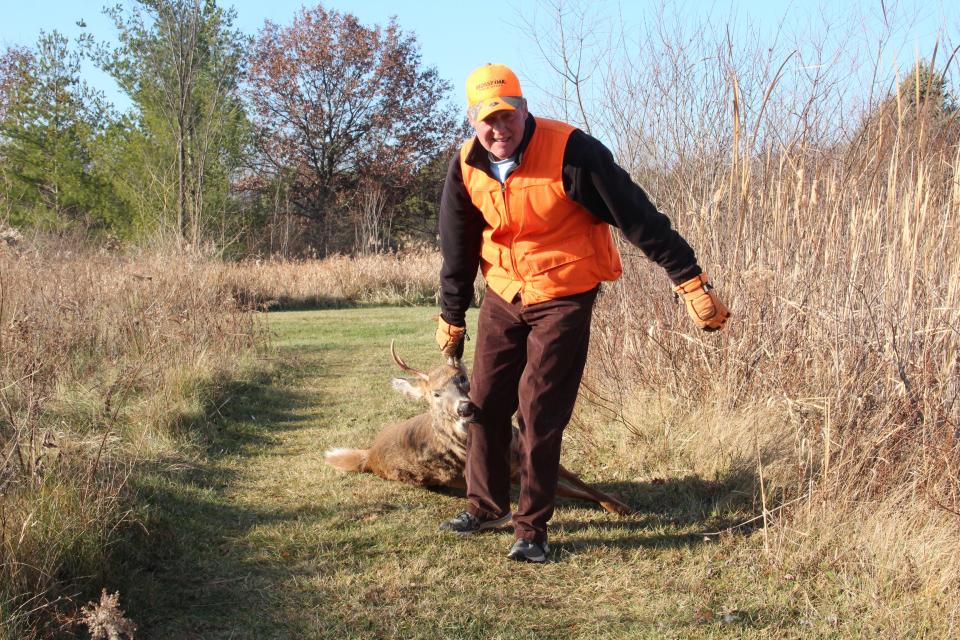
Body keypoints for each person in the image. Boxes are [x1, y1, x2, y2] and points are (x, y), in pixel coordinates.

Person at [434, 63, 730, 563]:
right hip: (506, 292)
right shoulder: (467, 164)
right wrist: (453, 313)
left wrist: (689, 279)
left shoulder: (573, 152)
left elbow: (638, 216)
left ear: (525, 111)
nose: (499, 129)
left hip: (566, 290)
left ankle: (530, 530)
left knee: (538, 406)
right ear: (472, 121)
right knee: (484, 401)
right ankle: (485, 506)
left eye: (508, 116)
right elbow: (457, 245)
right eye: (488, 120)